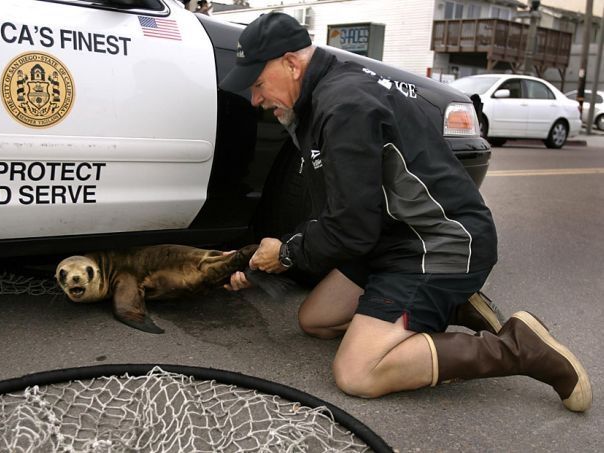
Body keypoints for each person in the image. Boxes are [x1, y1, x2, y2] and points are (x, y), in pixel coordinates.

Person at [221, 12, 591, 412]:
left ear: (292, 64)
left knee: (358, 372)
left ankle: (519, 348)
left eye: (258, 84)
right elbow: (334, 213)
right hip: (391, 239)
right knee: (316, 319)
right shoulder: (317, 102)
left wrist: (287, 254)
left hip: (439, 243)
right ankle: (447, 306)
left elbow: (349, 230)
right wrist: (265, 263)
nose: (255, 100)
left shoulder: (345, 107)